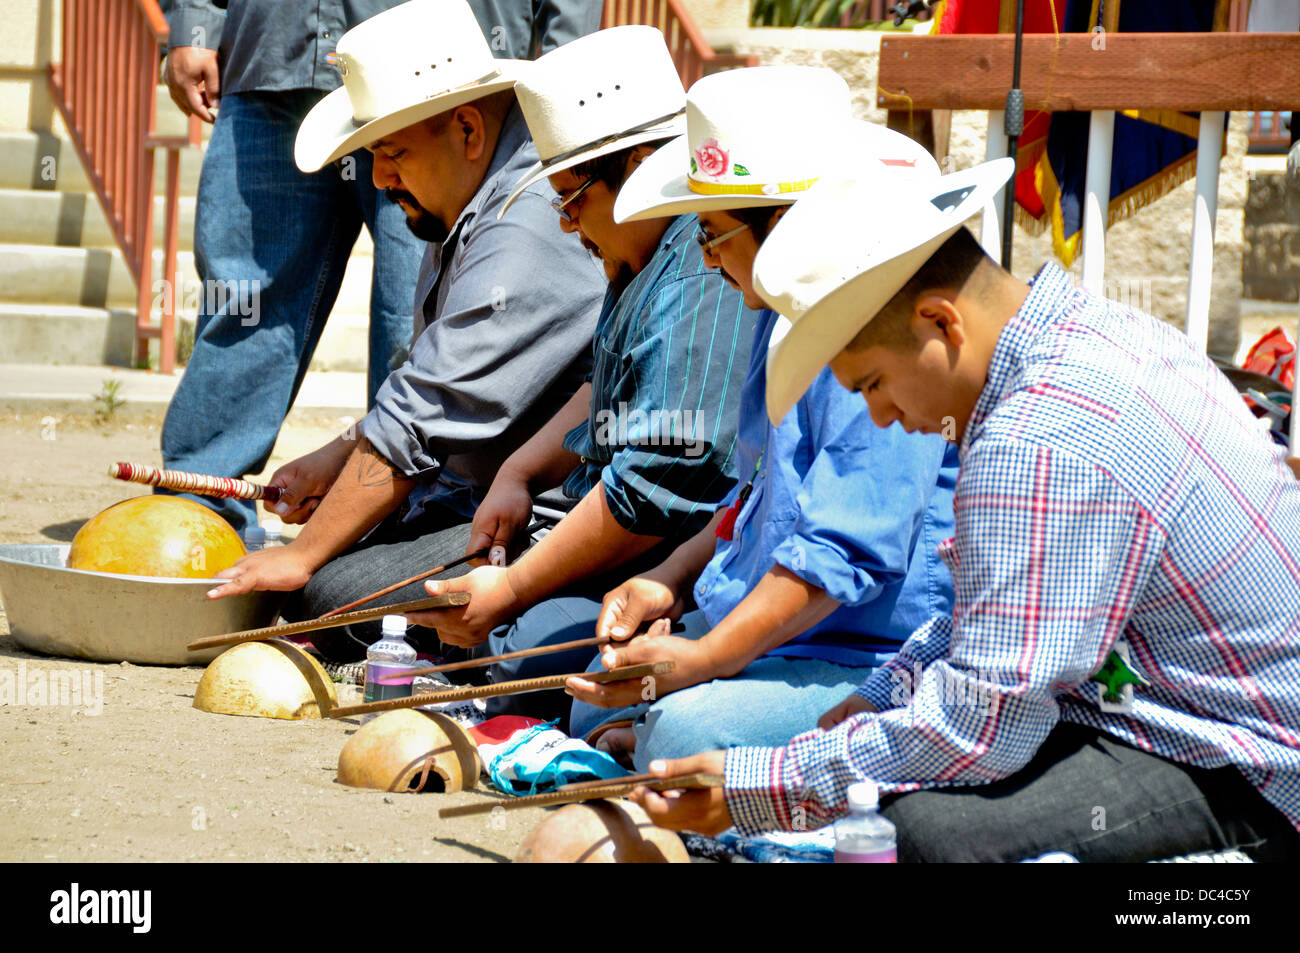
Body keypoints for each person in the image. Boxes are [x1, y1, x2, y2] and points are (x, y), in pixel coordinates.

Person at [632, 159, 1300, 862]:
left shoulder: (1036, 440)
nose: (883, 416)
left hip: (1253, 767)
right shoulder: (1087, 335)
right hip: (1163, 706)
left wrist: (762, 785)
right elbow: (994, 612)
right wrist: (883, 693)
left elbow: (982, 726)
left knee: (935, 835)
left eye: (876, 383)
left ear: (939, 322)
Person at [554, 66, 959, 773]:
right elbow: (760, 495)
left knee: (680, 730)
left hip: (867, 652)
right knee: (600, 696)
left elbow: (843, 550)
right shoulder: (773, 317)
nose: (706, 261)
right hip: (791, 639)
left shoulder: (873, 332)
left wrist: (708, 658)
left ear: (785, 225)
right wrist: (671, 579)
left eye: (713, 236)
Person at [205, 0, 605, 660]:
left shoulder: (522, 224)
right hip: (473, 489)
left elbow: (421, 416)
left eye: (390, 153)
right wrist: (336, 458)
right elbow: (422, 380)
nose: (379, 179)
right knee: (333, 576)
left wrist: (302, 555)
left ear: (468, 131)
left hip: (546, 510)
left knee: (328, 595)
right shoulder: (471, 196)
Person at [408, 27, 762, 728]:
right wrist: (521, 468)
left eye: (573, 199)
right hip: (618, 540)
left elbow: (648, 495)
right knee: (444, 623)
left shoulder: (702, 273)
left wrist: (510, 590)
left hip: (670, 557)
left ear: (636, 167)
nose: (567, 224)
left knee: (520, 655)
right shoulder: (639, 250)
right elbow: (606, 387)